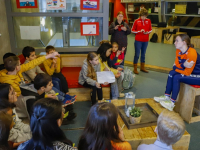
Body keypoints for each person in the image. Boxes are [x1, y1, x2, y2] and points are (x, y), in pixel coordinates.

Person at [0, 51, 60, 117]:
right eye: (20, 64)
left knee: (49, 91)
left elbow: (32, 64)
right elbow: (23, 96)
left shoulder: (16, 70)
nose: (21, 65)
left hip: (26, 91)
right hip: (21, 103)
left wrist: (48, 56)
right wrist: (45, 96)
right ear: (17, 67)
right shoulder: (9, 83)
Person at [154, 34, 200, 111]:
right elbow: (175, 66)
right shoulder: (178, 50)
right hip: (190, 73)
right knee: (171, 73)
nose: (174, 42)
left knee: (176, 77)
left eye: (177, 41)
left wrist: (177, 67)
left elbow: (187, 72)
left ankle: (171, 103)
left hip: (197, 77)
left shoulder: (192, 53)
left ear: (184, 42)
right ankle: (167, 96)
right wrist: (183, 65)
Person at [131, 8, 152, 74]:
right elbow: (132, 30)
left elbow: (151, 29)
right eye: (142, 16)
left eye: (145, 16)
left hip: (145, 40)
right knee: (137, 54)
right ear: (140, 15)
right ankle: (135, 68)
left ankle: (142, 67)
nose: (143, 17)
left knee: (143, 54)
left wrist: (147, 32)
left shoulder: (148, 21)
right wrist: (139, 31)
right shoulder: (136, 21)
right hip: (138, 40)